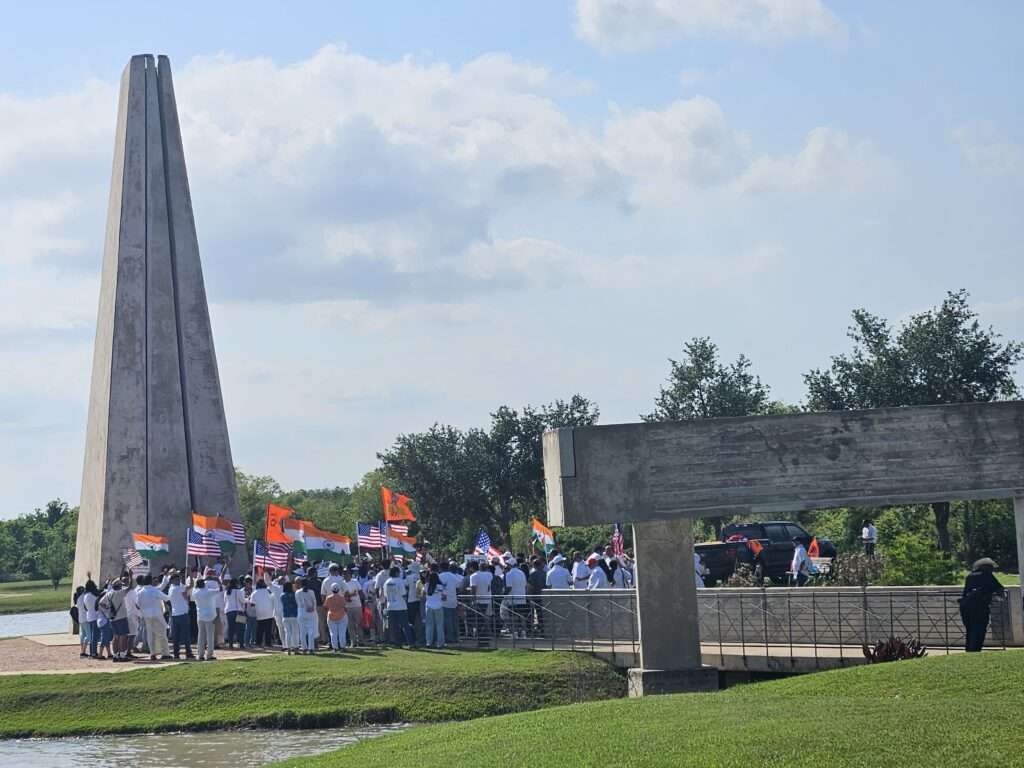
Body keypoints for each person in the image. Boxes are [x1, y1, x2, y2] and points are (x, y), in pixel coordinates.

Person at [960, 558, 1005, 652]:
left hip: (966, 607)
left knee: (970, 630)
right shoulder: (987, 575)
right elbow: (999, 588)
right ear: (986, 567)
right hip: (980, 607)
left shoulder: (970, 576)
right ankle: (976, 650)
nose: (992, 569)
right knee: (980, 629)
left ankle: (969, 650)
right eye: (991, 567)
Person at [137, 575, 172, 660]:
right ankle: (165, 653)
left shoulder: (140, 592)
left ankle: (152, 654)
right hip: (157, 615)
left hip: (146, 616)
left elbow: (137, 605)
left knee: (150, 635)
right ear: (150, 581)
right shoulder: (154, 590)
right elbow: (167, 598)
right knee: (162, 635)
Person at [99, 579, 131, 662]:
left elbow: (101, 603)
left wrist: (108, 609)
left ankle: (115, 655)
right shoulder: (120, 592)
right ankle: (122, 655)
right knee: (123, 637)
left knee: (115, 637)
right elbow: (130, 587)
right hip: (121, 617)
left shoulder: (109, 594)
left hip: (112, 618)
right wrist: (130, 576)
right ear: (119, 586)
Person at [383, 566, 414, 647]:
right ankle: (410, 642)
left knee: (394, 626)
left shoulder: (387, 582)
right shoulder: (399, 581)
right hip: (400, 606)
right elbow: (403, 594)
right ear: (396, 573)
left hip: (390, 606)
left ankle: (397, 642)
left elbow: (385, 595)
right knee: (405, 626)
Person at [191, 578, 220, 661]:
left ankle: (200, 654)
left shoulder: (195, 592)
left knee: (200, 636)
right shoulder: (209, 591)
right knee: (210, 636)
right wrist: (217, 581)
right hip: (210, 616)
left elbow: (193, 587)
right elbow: (220, 589)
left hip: (200, 616)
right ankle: (209, 655)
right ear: (204, 584)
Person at [167, 571, 194, 659]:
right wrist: (190, 575)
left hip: (175, 614)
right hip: (182, 614)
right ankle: (188, 652)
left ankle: (176, 653)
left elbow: (185, 594)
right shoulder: (177, 588)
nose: (179, 580)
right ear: (172, 581)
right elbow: (191, 585)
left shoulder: (171, 588)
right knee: (186, 635)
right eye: (177, 579)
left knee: (176, 635)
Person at [467, 561, 494, 642]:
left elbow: (473, 589)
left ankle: (481, 637)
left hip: (479, 600)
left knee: (479, 620)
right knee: (486, 618)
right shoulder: (489, 575)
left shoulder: (473, 576)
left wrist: (473, 599)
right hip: (488, 599)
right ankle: (486, 636)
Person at [439, 561, 462, 644]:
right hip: (453, 600)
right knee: (454, 620)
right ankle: (456, 637)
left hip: (444, 602)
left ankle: (450, 638)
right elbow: (458, 587)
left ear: (440, 568)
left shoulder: (440, 576)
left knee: (447, 621)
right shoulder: (453, 576)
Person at [504, 560, 528, 638]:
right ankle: (524, 633)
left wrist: (503, 595)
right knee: (522, 616)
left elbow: (509, 587)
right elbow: (525, 585)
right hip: (522, 597)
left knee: (513, 617)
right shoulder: (522, 573)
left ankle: (515, 633)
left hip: (513, 598)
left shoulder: (509, 574)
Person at [423, 566, 446, 649]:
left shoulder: (426, 585)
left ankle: (428, 642)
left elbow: (423, 594)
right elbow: (444, 597)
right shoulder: (440, 586)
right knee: (439, 625)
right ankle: (440, 643)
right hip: (438, 606)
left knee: (429, 625)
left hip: (429, 606)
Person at [250, 579, 276, 649]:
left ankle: (258, 643)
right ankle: (268, 643)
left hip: (260, 613)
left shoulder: (254, 593)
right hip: (269, 612)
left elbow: (252, 604)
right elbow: (273, 599)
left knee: (260, 629)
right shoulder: (268, 591)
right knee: (268, 629)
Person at [342, 567, 365, 647]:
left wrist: (363, 603)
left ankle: (361, 640)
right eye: (344, 574)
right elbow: (343, 595)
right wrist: (349, 596)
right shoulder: (342, 583)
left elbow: (360, 592)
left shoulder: (355, 582)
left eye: (347, 573)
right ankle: (353, 641)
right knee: (350, 625)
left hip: (357, 605)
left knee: (358, 624)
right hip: (347, 607)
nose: (345, 575)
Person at [295, 577, 319, 654]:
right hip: (310, 612)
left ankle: (304, 648)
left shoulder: (297, 592)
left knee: (302, 631)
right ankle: (311, 648)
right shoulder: (311, 592)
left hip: (301, 612)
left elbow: (298, 602)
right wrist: (313, 608)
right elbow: (314, 602)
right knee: (311, 631)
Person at [324, 583, 348, 652]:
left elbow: (325, 607)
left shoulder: (328, 598)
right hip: (342, 616)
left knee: (333, 633)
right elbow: (345, 607)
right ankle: (342, 647)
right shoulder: (342, 597)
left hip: (331, 616)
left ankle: (335, 648)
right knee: (342, 632)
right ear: (338, 589)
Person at [404, 562, 424, 646]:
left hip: (411, 600)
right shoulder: (421, 577)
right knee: (421, 620)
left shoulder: (408, 578)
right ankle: (421, 638)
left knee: (411, 621)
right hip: (421, 600)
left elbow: (406, 587)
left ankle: (413, 638)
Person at [223, 578, 245, 650]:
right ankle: (241, 644)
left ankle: (230, 644)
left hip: (229, 611)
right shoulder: (238, 591)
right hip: (238, 611)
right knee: (241, 628)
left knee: (231, 629)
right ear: (236, 583)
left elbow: (225, 601)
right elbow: (242, 601)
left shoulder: (226, 591)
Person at [280, 581, 300, 654]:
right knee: (295, 632)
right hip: (294, 615)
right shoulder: (294, 595)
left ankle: (288, 648)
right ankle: (296, 647)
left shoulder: (282, 595)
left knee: (287, 632)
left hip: (285, 615)